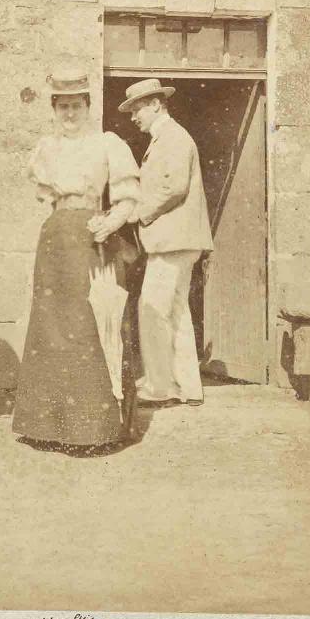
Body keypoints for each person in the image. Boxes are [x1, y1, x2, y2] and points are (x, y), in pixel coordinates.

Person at [12, 59, 141, 452]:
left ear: (88, 106)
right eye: (62, 106)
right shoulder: (45, 149)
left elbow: (128, 197)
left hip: (92, 238)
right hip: (54, 239)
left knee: (89, 324)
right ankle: (46, 426)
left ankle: (92, 429)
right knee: (50, 325)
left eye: (76, 105)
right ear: (54, 109)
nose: (69, 113)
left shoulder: (107, 145)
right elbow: (46, 195)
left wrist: (111, 221)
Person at [118, 79, 213, 406]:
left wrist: (139, 214)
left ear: (157, 104)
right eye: (131, 110)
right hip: (178, 239)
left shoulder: (172, 137)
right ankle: (187, 387)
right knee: (175, 311)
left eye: (138, 108)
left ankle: (160, 387)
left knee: (153, 308)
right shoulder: (167, 137)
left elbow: (174, 187)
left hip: (173, 240)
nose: (134, 116)